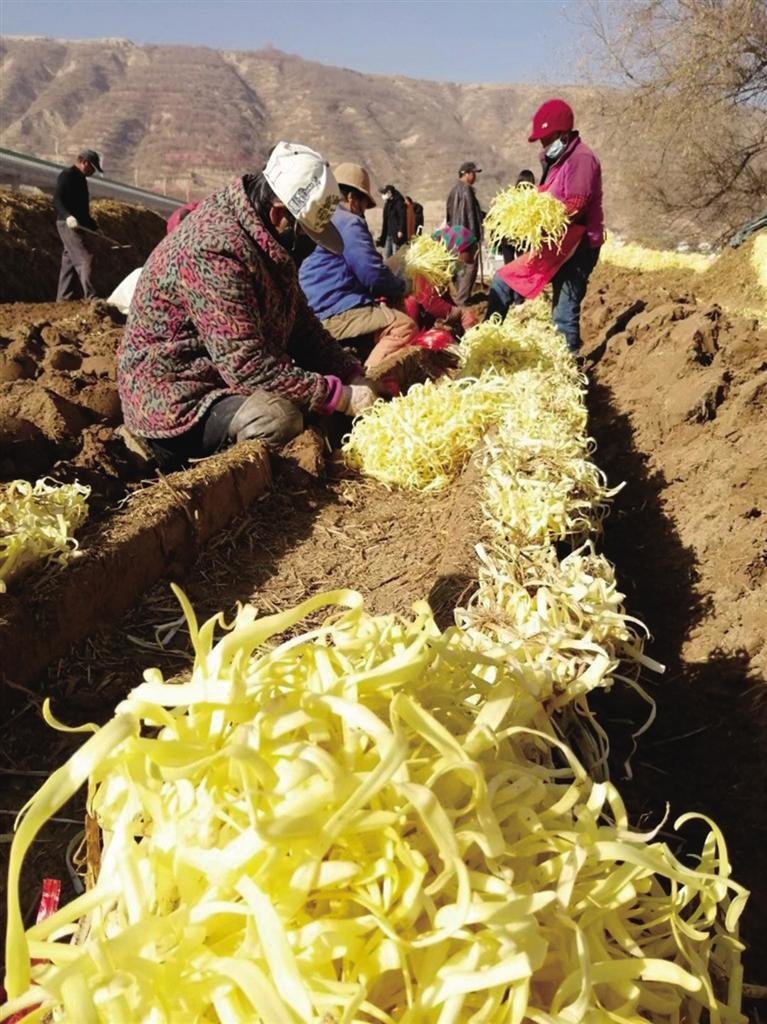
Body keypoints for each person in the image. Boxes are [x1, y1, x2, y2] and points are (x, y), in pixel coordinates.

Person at [117, 142, 380, 470]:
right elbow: (247, 366)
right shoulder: (215, 251)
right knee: (278, 418)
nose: (310, 247)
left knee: (300, 400)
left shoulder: (266, 239)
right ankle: (161, 453)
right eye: (307, 235)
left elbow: (301, 324)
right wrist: (337, 396)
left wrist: (348, 372)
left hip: (218, 376)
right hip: (175, 394)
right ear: (279, 215)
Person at [486, 100, 604, 353]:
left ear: (563, 134)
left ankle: (568, 365)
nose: (543, 144)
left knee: (563, 312)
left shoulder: (581, 159)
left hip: (578, 246)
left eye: (547, 138)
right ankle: (485, 343)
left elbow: (576, 205)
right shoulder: (558, 160)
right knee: (502, 281)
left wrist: (538, 222)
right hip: (557, 244)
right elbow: (548, 196)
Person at [299, 163, 418, 368]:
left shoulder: (317, 217)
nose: (363, 211)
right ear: (352, 198)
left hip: (311, 308)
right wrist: (401, 287)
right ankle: (367, 378)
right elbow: (372, 275)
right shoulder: (349, 222)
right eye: (363, 205)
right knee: (404, 326)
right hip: (334, 309)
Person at [401, 226, 479, 338]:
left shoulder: (443, 261)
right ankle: (410, 339)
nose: (474, 256)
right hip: (394, 304)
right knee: (412, 303)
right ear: (456, 250)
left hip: (417, 303)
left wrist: (458, 313)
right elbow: (428, 300)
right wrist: (459, 314)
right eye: (471, 251)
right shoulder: (425, 261)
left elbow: (442, 294)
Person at [53, 148, 103, 301]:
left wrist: (95, 227)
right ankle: (91, 297)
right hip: (66, 223)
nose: (93, 172)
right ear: (84, 162)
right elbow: (57, 199)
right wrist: (68, 216)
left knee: (68, 260)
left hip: (77, 223)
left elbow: (83, 210)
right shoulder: (67, 175)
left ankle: (64, 297)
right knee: (85, 258)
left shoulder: (82, 180)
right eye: (93, 168)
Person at [446, 161, 483, 304]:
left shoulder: (453, 190)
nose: (475, 177)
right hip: (466, 234)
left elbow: (449, 216)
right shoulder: (466, 190)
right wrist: (474, 237)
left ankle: (457, 298)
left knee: (459, 269)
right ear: (467, 174)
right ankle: (462, 300)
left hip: (455, 235)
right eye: (474, 173)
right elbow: (470, 215)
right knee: (469, 267)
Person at [499, 169, 536, 264]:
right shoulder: (534, 199)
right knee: (523, 266)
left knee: (508, 267)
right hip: (523, 238)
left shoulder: (509, 197)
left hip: (506, 236)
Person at [376, 184, 408, 256]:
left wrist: (400, 230)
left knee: (395, 254)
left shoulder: (399, 203)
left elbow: (402, 217)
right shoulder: (388, 204)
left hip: (396, 234)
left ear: (389, 193)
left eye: (385, 193)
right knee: (386, 255)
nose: (383, 195)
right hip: (388, 233)